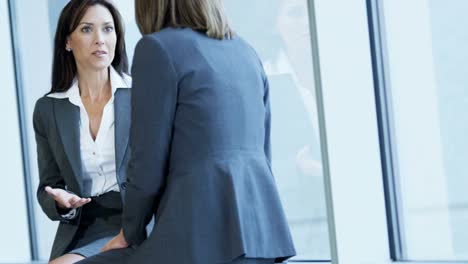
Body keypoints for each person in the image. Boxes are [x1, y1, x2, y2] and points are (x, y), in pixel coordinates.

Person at [78, 0, 296, 263]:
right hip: (261, 236)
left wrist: (130, 232)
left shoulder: (157, 48)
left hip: (196, 237)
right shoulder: (246, 52)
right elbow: (263, 153)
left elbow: (147, 163)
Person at [32, 0, 131, 263]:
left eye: (108, 29)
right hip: (81, 226)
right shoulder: (48, 109)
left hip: (136, 219)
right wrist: (60, 201)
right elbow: (48, 186)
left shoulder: (143, 94)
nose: (100, 39)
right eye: (87, 29)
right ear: (68, 41)